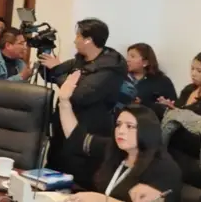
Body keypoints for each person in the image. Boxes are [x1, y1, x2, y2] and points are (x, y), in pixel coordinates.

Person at [60, 71, 182, 202]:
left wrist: (102, 200)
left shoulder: (163, 168)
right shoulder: (113, 148)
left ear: (146, 130)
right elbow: (77, 139)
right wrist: (64, 102)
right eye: (118, 125)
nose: (120, 131)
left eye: (129, 126)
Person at [39, 18, 128, 189]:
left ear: (88, 40)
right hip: (61, 132)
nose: (75, 41)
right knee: (52, 177)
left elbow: (81, 95)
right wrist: (46, 58)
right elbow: (50, 75)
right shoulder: (80, 60)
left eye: (78, 36)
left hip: (86, 133)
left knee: (74, 182)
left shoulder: (110, 68)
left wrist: (57, 70)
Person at [161, 51, 201, 191]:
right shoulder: (189, 89)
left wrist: (185, 116)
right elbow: (179, 112)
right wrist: (171, 108)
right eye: (192, 69)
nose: (193, 73)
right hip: (180, 136)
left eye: (199, 71)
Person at [125, 43, 176, 108]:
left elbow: (174, 107)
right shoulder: (121, 78)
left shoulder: (162, 81)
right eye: (127, 56)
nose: (127, 60)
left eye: (132, 56)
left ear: (145, 62)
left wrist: (142, 103)